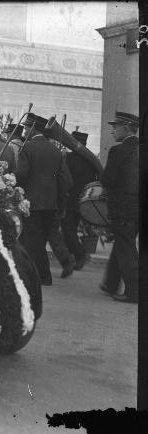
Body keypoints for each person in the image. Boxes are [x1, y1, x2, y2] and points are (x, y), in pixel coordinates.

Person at [15, 114, 73, 286]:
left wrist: (17, 189)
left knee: (34, 241)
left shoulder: (28, 148)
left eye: (27, 127)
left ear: (34, 129)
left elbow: (21, 174)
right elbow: (65, 180)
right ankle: (43, 273)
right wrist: (60, 203)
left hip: (32, 203)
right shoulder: (56, 150)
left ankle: (43, 276)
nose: (24, 130)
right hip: (51, 203)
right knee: (43, 238)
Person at [99, 111, 139, 303]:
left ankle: (134, 292)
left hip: (123, 207)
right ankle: (111, 283)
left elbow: (108, 179)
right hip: (138, 208)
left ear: (127, 127)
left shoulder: (118, 151)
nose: (113, 131)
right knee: (123, 244)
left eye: (116, 127)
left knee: (126, 249)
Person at [60, 130, 99, 271]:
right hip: (82, 201)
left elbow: (64, 179)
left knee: (68, 230)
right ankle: (70, 257)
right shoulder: (91, 160)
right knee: (71, 229)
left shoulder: (69, 158)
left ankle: (80, 254)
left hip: (69, 200)